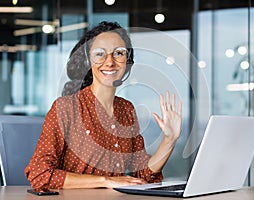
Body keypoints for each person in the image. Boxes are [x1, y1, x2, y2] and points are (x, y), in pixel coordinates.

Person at [24, 21, 182, 190]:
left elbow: (143, 174)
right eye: (100, 54)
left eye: (119, 53)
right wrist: (105, 181)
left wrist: (169, 139)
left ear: (127, 61)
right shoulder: (65, 108)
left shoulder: (126, 110)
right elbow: (39, 174)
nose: (110, 62)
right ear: (87, 60)